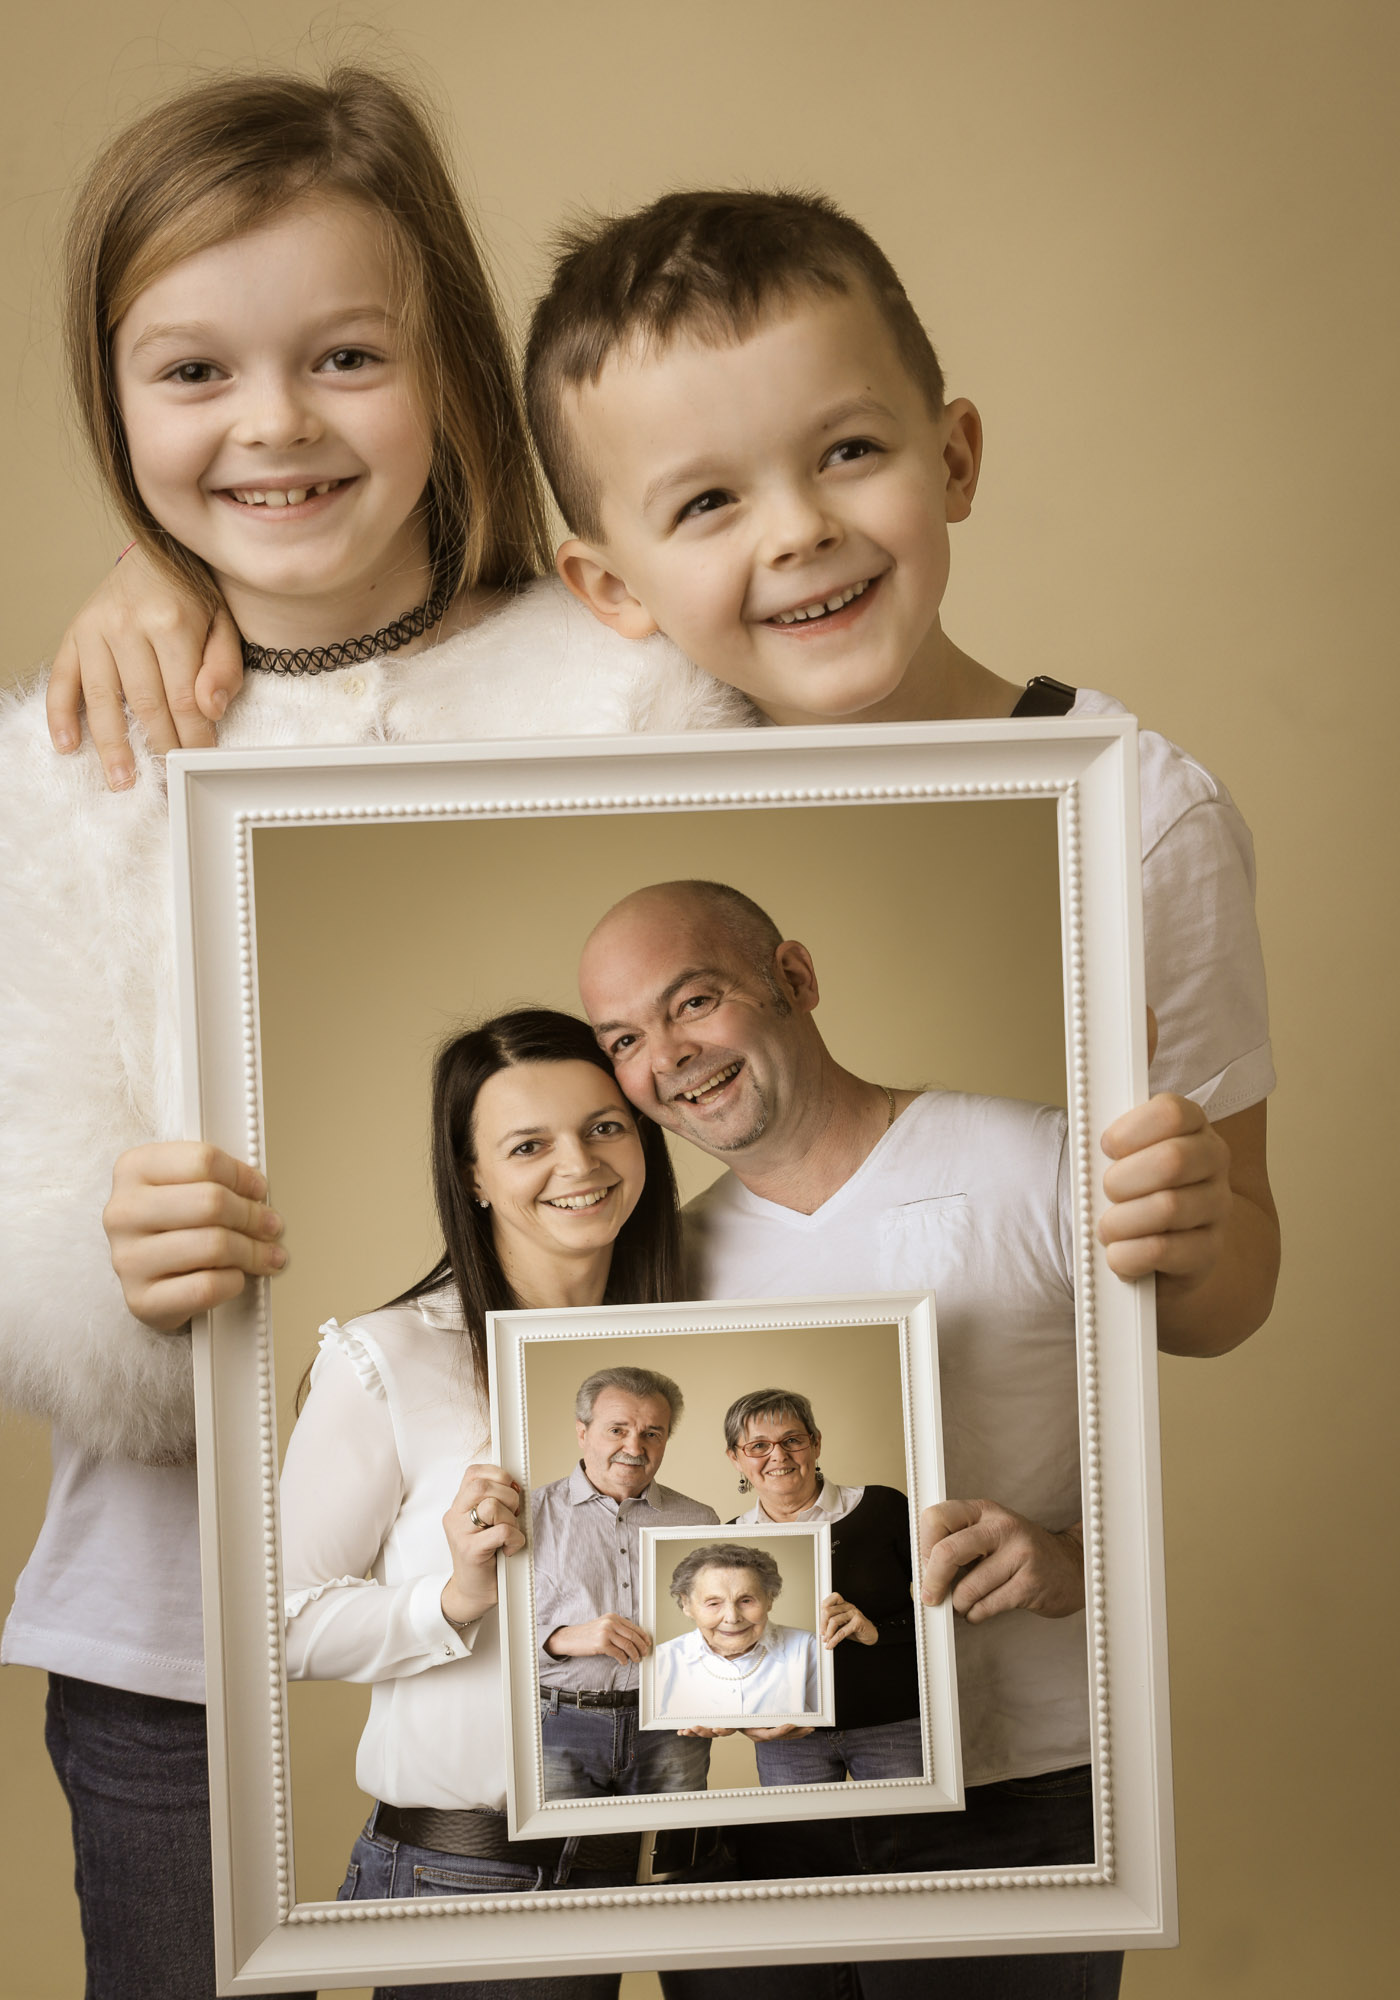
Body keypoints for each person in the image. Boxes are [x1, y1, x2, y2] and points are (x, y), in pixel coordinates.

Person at [0, 71, 743, 2000]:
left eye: (344, 356)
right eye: (192, 371)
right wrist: (101, 1261)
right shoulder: (67, 764)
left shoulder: (627, 684)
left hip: (571, 1662)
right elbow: (18, 1181)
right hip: (170, 1646)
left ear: (450, 375)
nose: (272, 425)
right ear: (110, 396)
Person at [575, 876, 1214, 1999]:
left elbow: (1198, 1450)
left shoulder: (1041, 1163)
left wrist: (1069, 1555)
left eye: (693, 1001)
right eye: (626, 1036)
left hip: (1018, 1794)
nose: (665, 1055)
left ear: (795, 979)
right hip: (760, 1811)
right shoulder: (658, 1269)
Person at [282, 1007, 685, 1981]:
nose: (578, 1164)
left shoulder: (687, 1335)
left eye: (603, 1125)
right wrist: (454, 1595)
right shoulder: (387, 1356)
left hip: (665, 1873)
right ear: (472, 1175)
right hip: (472, 1876)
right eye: (526, 1143)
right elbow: (279, 1622)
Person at [531, 1367, 716, 1800]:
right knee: (565, 1862)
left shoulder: (699, 1520)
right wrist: (561, 1638)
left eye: (653, 1433)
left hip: (673, 1726)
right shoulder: (528, 1514)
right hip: (557, 1722)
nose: (635, 1447)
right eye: (618, 1429)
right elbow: (485, 1637)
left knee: (666, 1861)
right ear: (583, 1432)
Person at [723, 1389, 921, 1785]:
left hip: (893, 1725)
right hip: (787, 1738)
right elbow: (725, 1649)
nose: (778, 1456)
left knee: (910, 1840)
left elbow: (951, 1610)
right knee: (806, 1846)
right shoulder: (729, 1543)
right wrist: (743, 1721)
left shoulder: (883, 1508)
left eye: (792, 1440)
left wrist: (877, 1632)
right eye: (758, 1445)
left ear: (815, 1442)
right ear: (736, 1458)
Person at [653, 1542, 819, 1722]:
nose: (732, 1618)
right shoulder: (661, 1661)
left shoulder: (808, 1648)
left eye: (746, 1600)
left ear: (769, 1599)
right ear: (686, 1604)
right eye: (714, 1603)